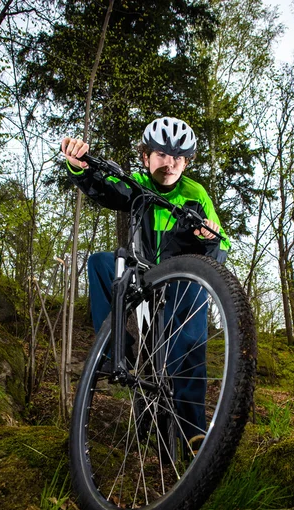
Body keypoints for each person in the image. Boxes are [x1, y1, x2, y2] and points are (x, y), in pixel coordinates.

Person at [62, 116, 230, 446]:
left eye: (178, 157)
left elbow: (220, 246)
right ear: (145, 156)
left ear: (187, 161)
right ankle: (111, 353)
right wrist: (81, 168)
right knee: (98, 263)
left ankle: (193, 431)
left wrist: (208, 238)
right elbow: (108, 188)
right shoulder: (138, 183)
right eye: (161, 154)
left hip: (180, 279)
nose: (170, 163)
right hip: (141, 274)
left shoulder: (196, 194)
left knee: (191, 338)